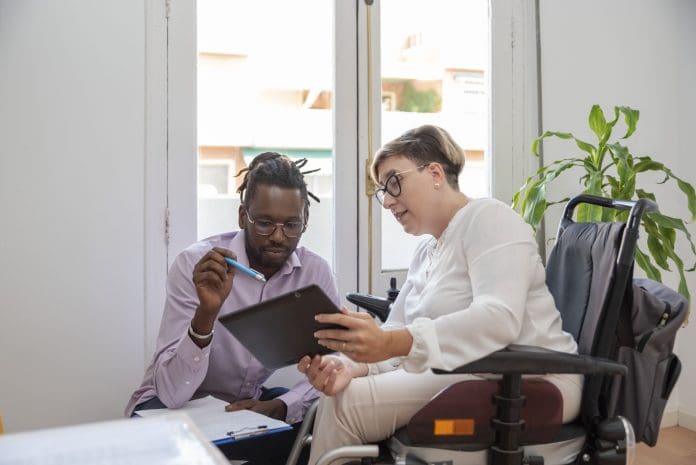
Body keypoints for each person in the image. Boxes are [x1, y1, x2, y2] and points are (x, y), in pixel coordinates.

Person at [298, 125, 583, 465]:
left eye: (393, 182)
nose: (387, 200)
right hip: (464, 370)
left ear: (434, 172)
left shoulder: (489, 219)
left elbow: (499, 319)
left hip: (530, 378)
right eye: (382, 191)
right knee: (339, 392)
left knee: (346, 406)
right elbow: (398, 329)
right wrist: (349, 366)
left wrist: (390, 345)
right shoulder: (426, 251)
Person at [125, 152, 339, 464]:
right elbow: (171, 392)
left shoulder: (314, 272)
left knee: (314, 429)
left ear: (305, 223)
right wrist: (206, 314)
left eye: (292, 224)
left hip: (240, 410)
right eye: (264, 222)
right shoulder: (197, 265)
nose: (279, 236)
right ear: (242, 217)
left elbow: (337, 362)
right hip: (169, 405)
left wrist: (281, 406)